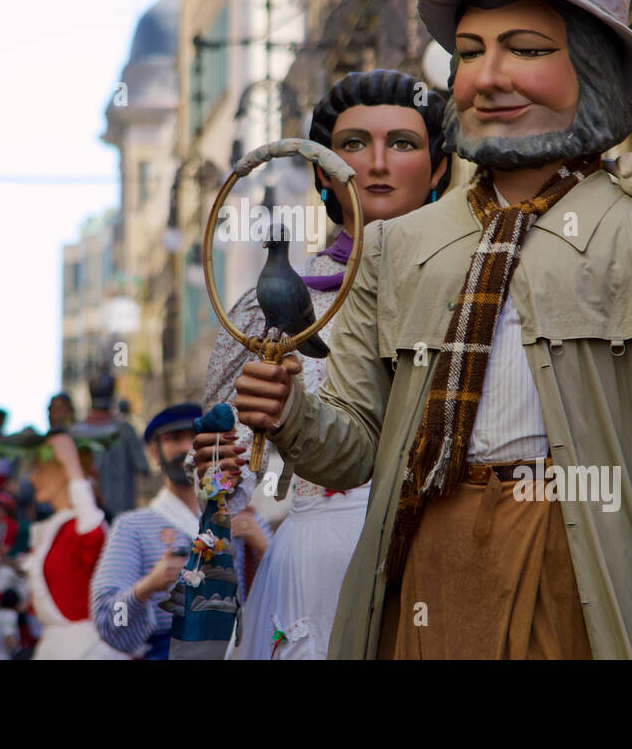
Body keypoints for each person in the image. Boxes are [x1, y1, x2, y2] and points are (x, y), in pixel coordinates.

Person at [229, 0, 632, 660]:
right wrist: (290, 416)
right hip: (424, 560)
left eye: (525, 48)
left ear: (593, 68)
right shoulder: (397, 246)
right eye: (471, 52)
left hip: (577, 568)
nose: (489, 76)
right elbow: (351, 449)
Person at [192, 69, 451, 660]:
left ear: (439, 170)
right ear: (321, 171)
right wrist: (220, 462)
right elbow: (220, 459)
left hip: (444, 555)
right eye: (354, 144)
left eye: (404, 144)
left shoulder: (478, 287)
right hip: (318, 570)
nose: (377, 164)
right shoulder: (275, 302)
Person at [91, 404, 271, 660]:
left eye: (195, 438)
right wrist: (147, 586)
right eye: (175, 439)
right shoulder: (132, 526)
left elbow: (289, 589)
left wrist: (261, 544)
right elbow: (107, 615)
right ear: (155, 452)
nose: (188, 448)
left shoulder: (242, 514)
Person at [10, 425, 126, 660]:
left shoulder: (83, 528)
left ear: (64, 469)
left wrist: (74, 468)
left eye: (40, 468)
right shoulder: (55, 529)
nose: (32, 478)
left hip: (89, 649)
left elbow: (94, 537)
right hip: (57, 647)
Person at [78, 373, 148, 521]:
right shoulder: (126, 429)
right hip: (121, 517)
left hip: (85, 518)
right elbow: (143, 467)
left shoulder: (76, 432)